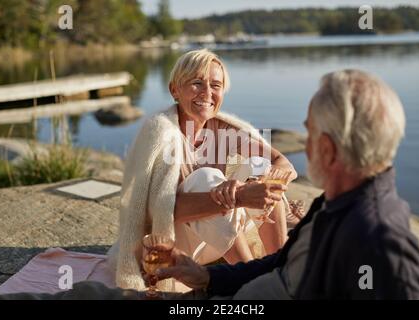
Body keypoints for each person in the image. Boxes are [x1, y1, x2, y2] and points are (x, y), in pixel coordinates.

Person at [0, 69, 419, 300]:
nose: (304, 143)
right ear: (175, 89)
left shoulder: (380, 241)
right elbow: (277, 271)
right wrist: (203, 276)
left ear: (329, 151)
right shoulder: (335, 209)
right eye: (196, 83)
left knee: (87, 299)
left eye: (310, 133)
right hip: (218, 284)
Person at [107, 49, 297, 292]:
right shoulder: (161, 132)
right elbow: (157, 212)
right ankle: (253, 283)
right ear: (174, 90)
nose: (207, 93)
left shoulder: (223, 128)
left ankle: (280, 267)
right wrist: (236, 197)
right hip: (173, 244)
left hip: (215, 237)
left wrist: (254, 184)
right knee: (206, 178)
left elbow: (283, 163)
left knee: (262, 167)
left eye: (215, 85)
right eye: (197, 83)